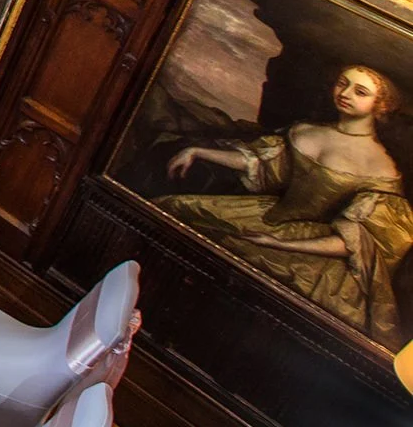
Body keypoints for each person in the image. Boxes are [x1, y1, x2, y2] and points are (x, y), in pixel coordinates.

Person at [160, 63, 413, 343]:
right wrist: (197, 151)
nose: (346, 93)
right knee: (174, 209)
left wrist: (278, 244)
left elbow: (358, 241)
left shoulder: (382, 168)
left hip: (316, 252)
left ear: (381, 105)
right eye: (343, 83)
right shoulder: (306, 130)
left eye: (361, 91)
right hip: (268, 215)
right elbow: (261, 164)